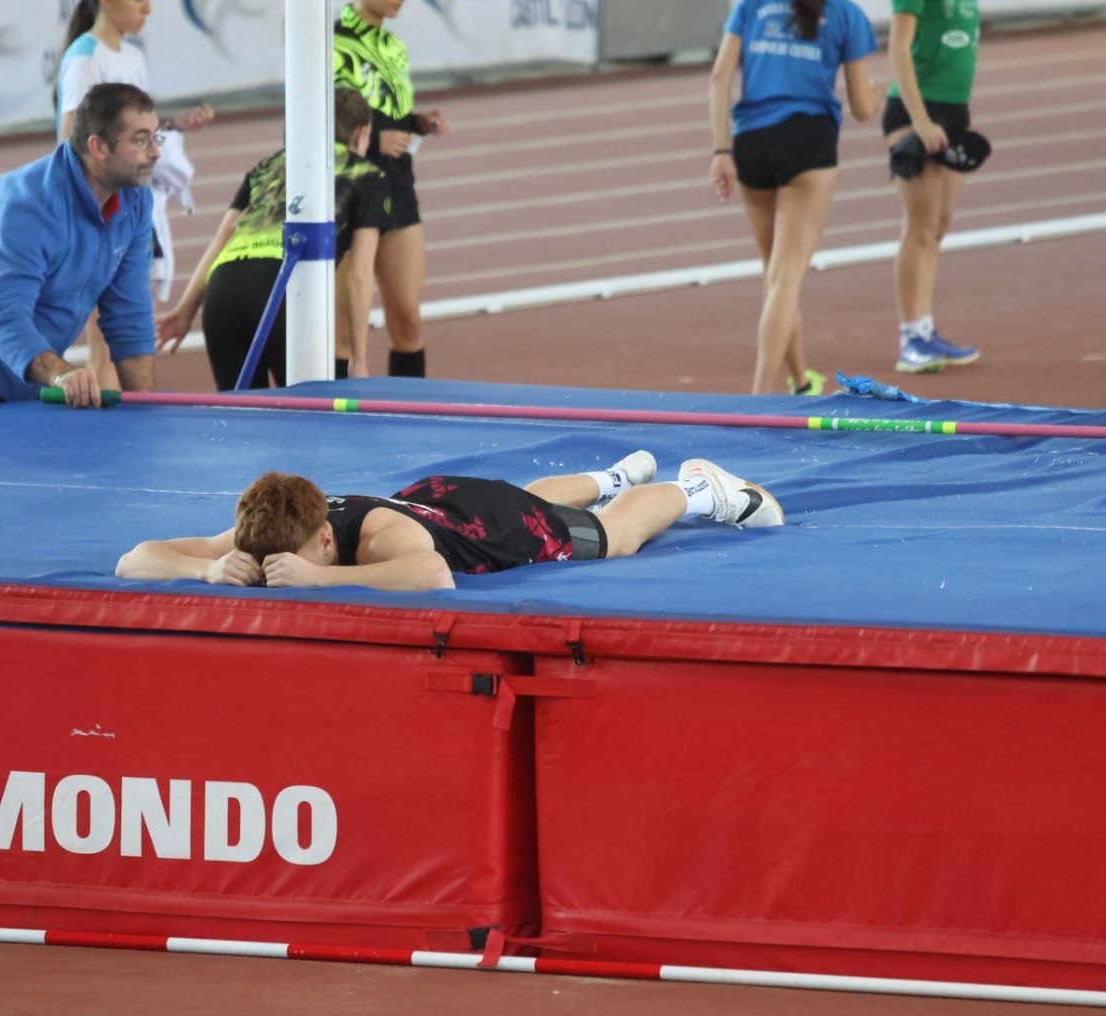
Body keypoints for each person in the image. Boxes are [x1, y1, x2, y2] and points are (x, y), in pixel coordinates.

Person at [115, 452, 785, 592]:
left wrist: (322, 582)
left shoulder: (377, 538)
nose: (272, 572)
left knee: (607, 537)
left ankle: (697, 489)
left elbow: (432, 574)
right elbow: (136, 558)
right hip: (442, 496)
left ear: (325, 538)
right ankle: (611, 474)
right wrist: (205, 564)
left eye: (291, 561)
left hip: (479, 528)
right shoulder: (270, 528)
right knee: (531, 495)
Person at [0, 82, 160, 412]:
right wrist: (61, 374)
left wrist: (150, 412)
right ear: (98, 147)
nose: (155, 151)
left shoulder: (134, 202)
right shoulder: (28, 205)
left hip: (19, 352)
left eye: (156, 137)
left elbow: (129, 315)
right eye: (141, 140)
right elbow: (2, 315)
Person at [155, 89, 390, 388]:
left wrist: (184, 312)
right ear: (361, 134)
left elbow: (221, 240)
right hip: (284, 287)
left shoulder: (269, 165)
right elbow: (360, 274)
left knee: (241, 423)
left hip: (223, 290)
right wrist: (360, 360)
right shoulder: (368, 175)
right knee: (307, 423)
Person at [709, 0, 881, 396]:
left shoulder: (752, 6)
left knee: (776, 276)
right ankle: (758, 399)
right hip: (808, 142)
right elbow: (861, 107)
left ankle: (801, 380)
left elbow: (719, 79)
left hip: (751, 143)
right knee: (785, 278)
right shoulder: (844, 14)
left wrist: (721, 152)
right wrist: (878, 91)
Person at [57, 0, 214, 391]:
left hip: (132, 203)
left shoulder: (131, 55)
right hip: (97, 211)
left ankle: (128, 422)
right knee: (105, 343)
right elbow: (70, 143)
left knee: (131, 330)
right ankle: (111, 434)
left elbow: (132, 129)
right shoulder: (84, 60)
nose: (149, 8)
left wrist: (173, 125)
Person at [333, 0, 447, 379]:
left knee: (409, 322)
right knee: (343, 332)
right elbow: (319, 114)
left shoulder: (393, 46)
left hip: (396, 183)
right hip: (346, 187)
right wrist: (376, 136)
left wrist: (416, 122)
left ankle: (409, 423)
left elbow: (390, 112)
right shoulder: (329, 43)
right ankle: (337, 427)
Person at [885, 0, 983, 374]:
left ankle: (925, 329)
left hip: (955, 111)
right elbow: (898, 46)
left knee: (940, 223)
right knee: (920, 226)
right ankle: (910, 338)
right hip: (915, 111)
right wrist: (921, 120)